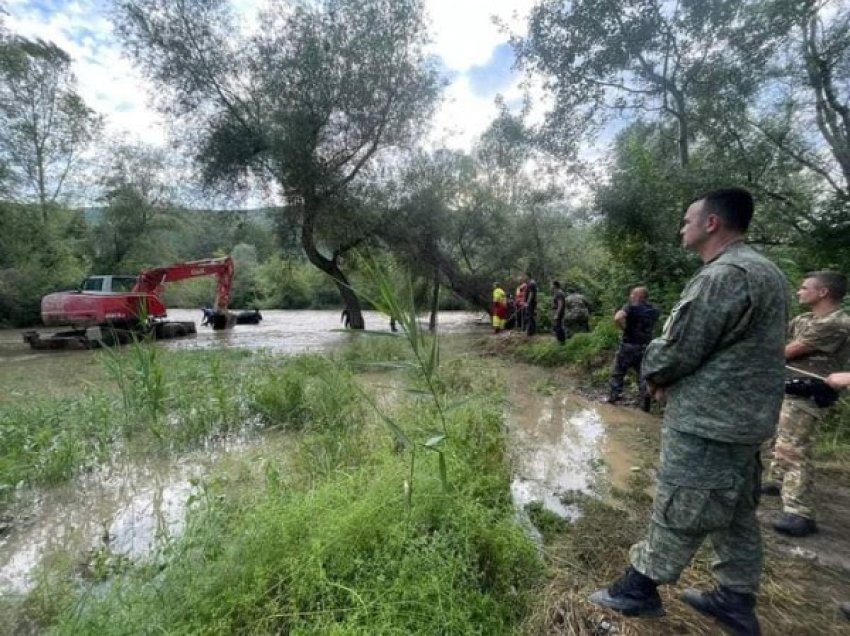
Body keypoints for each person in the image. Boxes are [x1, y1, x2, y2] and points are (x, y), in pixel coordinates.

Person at [589, 187, 789, 636]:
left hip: (709, 421)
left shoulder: (724, 275)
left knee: (680, 500)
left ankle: (638, 587)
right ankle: (734, 598)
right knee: (735, 509)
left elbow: (680, 346)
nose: (682, 227)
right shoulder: (767, 272)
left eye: (687, 219)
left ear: (712, 223)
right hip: (745, 418)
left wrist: (656, 374)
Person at [762, 271, 850, 537]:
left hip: (809, 394)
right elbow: (777, 336)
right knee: (779, 440)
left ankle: (799, 512)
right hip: (790, 388)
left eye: (804, 288)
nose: (799, 292)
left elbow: (787, 350)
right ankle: (778, 482)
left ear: (823, 292)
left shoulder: (836, 323)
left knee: (794, 449)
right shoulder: (806, 319)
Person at [606, 286, 660, 411]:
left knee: (618, 372)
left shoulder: (630, 307)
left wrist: (624, 328)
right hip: (645, 347)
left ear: (638, 296)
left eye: (632, 295)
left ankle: (613, 398)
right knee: (643, 376)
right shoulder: (654, 309)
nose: (630, 297)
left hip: (628, 345)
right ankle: (645, 405)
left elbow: (618, 317)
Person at [551, 280, 567, 345]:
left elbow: (560, 304)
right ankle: (561, 341)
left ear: (555, 285)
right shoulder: (557, 292)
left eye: (551, 285)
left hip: (559, 312)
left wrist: (557, 314)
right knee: (557, 326)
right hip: (558, 312)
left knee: (558, 327)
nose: (551, 286)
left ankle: (561, 342)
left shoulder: (559, 293)